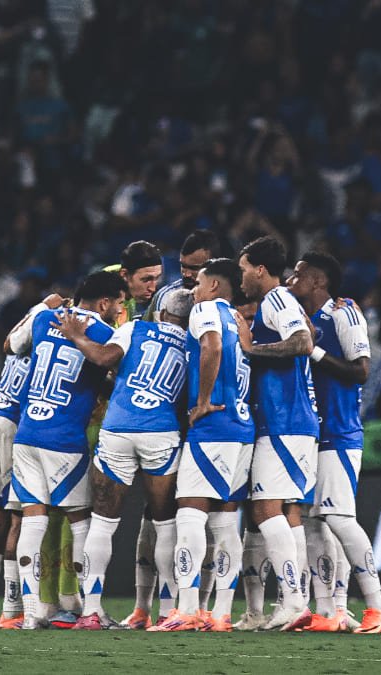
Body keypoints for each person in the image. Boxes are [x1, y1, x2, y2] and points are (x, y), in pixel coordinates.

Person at [53, 289, 193, 630]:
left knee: (102, 522)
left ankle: (91, 611)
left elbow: (103, 359)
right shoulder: (194, 342)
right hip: (161, 432)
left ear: (160, 312)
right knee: (165, 523)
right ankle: (167, 612)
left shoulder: (134, 328)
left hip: (118, 429)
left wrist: (75, 336)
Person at [6, 271, 127, 630]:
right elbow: (116, 369)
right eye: (119, 304)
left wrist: (43, 305)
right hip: (65, 440)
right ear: (105, 303)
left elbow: (11, 344)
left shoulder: (44, 319)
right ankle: (88, 608)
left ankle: (31, 614)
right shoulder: (106, 333)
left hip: (28, 434)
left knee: (34, 519)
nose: (120, 311)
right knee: (81, 522)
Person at [285, 252, 381, 634]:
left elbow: (361, 371)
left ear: (317, 281)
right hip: (313, 434)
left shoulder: (343, 315)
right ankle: (328, 611)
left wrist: (312, 350)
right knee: (316, 522)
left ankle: (376, 606)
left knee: (339, 517)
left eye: (298, 274)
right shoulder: (301, 320)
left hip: (341, 434)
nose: (291, 278)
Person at [147, 259, 253, 632]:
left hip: (214, 427)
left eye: (199, 283)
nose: (192, 291)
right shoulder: (238, 319)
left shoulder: (205, 310)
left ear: (212, 287)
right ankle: (221, 613)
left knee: (189, 512)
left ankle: (188, 607)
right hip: (242, 428)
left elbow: (211, 348)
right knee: (225, 522)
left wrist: (203, 400)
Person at [235, 236, 318, 632]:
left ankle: (295, 601)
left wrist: (251, 349)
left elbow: (303, 342)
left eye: (244, 269)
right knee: (282, 512)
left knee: (265, 510)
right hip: (288, 421)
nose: (242, 277)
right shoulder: (279, 302)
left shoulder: (276, 301)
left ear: (261, 270)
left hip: (285, 422)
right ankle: (291, 601)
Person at [0, 294, 63, 630]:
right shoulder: (48, 340)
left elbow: (9, 341)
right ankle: (11, 611)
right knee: (18, 518)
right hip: (13, 426)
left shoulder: (19, 336)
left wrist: (40, 305)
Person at [144, 229, 222, 321]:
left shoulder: (228, 294)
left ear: (214, 265)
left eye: (194, 268)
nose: (186, 274)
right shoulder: (167, 297)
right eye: (183, 266)